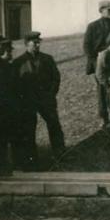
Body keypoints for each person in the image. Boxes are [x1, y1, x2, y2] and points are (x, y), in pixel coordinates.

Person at [13, 31, 64, 167]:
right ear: (26, 44)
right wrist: (23, 99)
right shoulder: (18, 62)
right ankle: (31, 158)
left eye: (38, 42)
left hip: (46, 100)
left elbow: (56, 78)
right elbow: (16, 84)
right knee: (29, 129)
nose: (37, 45)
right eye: (34, 42)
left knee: (54, 125)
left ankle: (60, 154)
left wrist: (51, 93)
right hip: (28, 102)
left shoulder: (48, 59)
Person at [83, 0, 110, 131]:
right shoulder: (93, 26)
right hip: (100, 62)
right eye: (108, 10)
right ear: (101, 11)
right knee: (102, 89)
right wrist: (96, 62)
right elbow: (87, 46)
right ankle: (103, 116)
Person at [0, 36, 23, 176]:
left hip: (6, 107)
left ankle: (3, 167)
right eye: (1, 47)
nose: (5, 50)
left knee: (3, 138)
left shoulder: (6, 65)